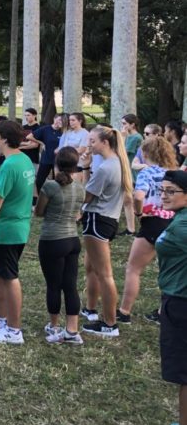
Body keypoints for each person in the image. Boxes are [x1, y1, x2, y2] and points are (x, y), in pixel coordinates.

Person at [142, 169, 187, 425]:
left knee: (184, 373)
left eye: (171, 191)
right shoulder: (180, 219)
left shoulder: (183, 228)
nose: (164, 195)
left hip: (181, 303)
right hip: (178, 297)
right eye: (163, 190)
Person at [78, 125, 132, 339]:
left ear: (105, 143)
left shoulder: (105, 168)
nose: (89, 144)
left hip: (96, 221)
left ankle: (110, 323)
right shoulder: (116, 163)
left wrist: (84, 168)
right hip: (107, 220)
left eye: (93, 141)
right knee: (90, 267)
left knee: (104, 274)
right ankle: (90, 309)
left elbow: (86, 196)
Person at [118, 137, 178, 324]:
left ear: (145, 153)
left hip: (152, 222)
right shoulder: (173, 173)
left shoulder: (146, 172)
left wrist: (138, 211)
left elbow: (138, 195)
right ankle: (162, 312)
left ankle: (124, 311)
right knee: (168, 270)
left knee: (133, 269)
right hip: (172, 223)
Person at [0, 120, 35, 345]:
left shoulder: (9, 166)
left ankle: (14, 330)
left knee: (10, 276)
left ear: (5, 139)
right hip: (17, 226)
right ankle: (1, 318)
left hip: (8, 229)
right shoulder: (23, 159)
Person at [34, 147, 85, 345]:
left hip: (52, 239)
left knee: (53, 285)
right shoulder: (80, 187)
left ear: (57, 164)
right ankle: (72, 330)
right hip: (73, 239)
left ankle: (54, 326)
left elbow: (39, 212)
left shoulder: (50, 186)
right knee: (70, 286)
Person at [29, 114, 64, 193]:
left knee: (58, 180)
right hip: (46, 159)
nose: (59, 122)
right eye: (58, 119)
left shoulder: (63, 131)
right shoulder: (45, 129)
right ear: (54, 119)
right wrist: (41, 143)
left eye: (61, 121)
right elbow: (29, 136)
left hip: (59, 160)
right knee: (39, 180)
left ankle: (56, 198)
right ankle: (39, 198)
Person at [121, 114, 143, 235]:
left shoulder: (136, 137)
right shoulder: (129, 136)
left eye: (124, 124)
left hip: (132, 172)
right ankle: (131, 228)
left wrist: (123, 137)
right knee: (128, 200)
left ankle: (135, 227)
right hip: (126, 170)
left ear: (132, 124)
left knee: (132, 200)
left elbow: (123, 152)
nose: (123, 126)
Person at [60, 112, 90, 181]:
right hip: (67, 163)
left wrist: (67, 151)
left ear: (80, 121)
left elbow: (81, 150)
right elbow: (64, 147)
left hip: (78, 164)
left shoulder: (85, 133)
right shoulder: (69, 132)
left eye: (73, 120)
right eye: (70, 120)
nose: (71, 122)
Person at [21, 108, 42, 204]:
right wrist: (25, 144)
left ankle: (35, 199)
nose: (26, 117)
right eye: (25, 115)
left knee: (32, 179)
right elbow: (19, 141)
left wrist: (22, 146)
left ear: (34, 115)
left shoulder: (38, 128)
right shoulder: (23, 127)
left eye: (28, 115)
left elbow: (35, 145)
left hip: (33, 157)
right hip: (22, 157)